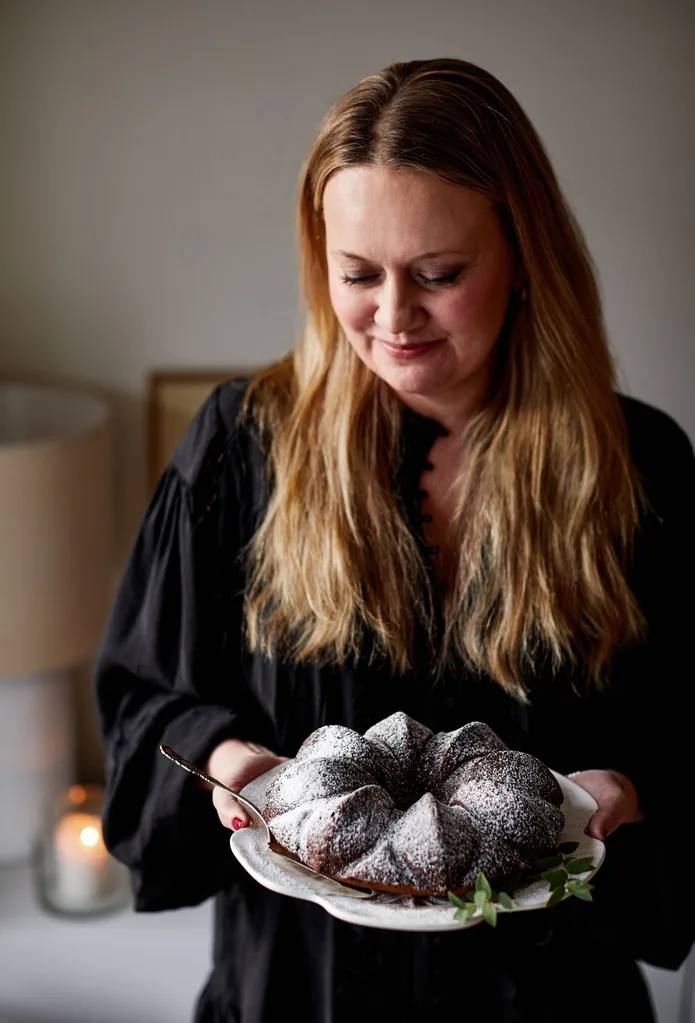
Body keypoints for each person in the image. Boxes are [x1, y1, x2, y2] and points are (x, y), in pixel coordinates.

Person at [95, 58, 694, 1023]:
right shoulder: (242, 447)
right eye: (356, 273)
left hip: (550, 998)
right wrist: (228, 758)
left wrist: (627, 787)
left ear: (522, 254)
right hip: (294, 995)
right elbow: (138, 705)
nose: (391, 316)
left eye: (438, 275)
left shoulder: (643, 464)